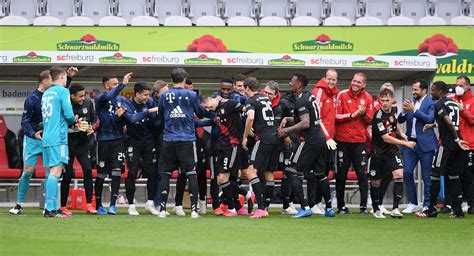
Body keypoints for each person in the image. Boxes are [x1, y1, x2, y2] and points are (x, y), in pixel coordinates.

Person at [278, 73, 335, 218]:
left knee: (291, 169)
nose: (290, 84)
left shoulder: (301, 100)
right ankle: (329, 208)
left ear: (299, 84)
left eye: (292, 81)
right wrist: (288, 119)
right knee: (320, 173)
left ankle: (304, 207)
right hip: (320, 137)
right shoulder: (309, 96)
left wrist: (285, 130)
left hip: (311, 139)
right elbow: (307, 118)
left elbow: (305, 123)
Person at [157, 68, 205, 219]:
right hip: (187, 139)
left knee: (166, 173)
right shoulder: (192, 94)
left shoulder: (164, 95)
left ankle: (163, 209)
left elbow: (160, 114)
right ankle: (193, 210)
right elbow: (200, 113)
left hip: (169, 139)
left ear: (171, 80)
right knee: (191, 172)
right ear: (184, 80)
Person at [417, 81, 469, 218]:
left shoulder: (439, 104)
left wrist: (456, 139)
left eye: (433, 90)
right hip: (457, 145)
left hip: (446, 145)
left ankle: (431, 209)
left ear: (440, 91)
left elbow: (449, 122)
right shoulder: (453, 103)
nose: (431, 93)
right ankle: (458, 211)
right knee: (454, 175)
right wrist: (433, 125)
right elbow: (449, 121)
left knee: (434, 173)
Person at [9, 70, 53, 215]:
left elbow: (64, 92)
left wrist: (70, 77)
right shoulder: (32, 99)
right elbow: (25, 121)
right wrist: (34, 134)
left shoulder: (53, 96)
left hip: (48, 139)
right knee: (27, 172)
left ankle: (48, 206)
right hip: (33, 140)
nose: (54, 83)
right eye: (52, 80)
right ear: (44, 81)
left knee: (49, 173)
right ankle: (19, 205)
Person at [201, 87, 249, 217]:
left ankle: (233, 208)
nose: (207, 109)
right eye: (205, 108)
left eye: (207, 106)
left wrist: (247, 130)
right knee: (220, 179)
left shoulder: (229, 103)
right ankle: (246, 195)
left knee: (224, 178)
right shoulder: (217, 111)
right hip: (223, 147)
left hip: (232, 146)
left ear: (211, 99)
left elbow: (247, 111)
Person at [370, 88, 416, 218]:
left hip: (392, 151)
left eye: (387, 100)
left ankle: (395, 208)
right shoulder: (377, 117)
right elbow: (386, 138)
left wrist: (402, 134)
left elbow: (395, 124)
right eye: (382, 100)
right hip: (378, 152)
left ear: (392, 100)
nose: (384, 103)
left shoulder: (393, 111)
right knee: (376, 182)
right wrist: (406, 143)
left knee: (399, 173)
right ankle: (376, 209)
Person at [94, 73, 134, 215]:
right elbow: (108, 97)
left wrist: (123, 115)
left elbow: (128, 120)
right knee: (101, 173)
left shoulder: (122, 100)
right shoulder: (100, 98)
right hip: (103, 140)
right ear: (106, 86)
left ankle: (113, 205)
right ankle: (98, 205)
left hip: (118, 140)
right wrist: (123, 84)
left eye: (118, 84)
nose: (117, 86)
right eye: (115, 84)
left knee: (117, 171)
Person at [334, 72, 373, 214]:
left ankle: (363, 207)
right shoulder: (342, 95)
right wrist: (352, 115)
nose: (355, 84)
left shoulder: (368, 97)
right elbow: (335, 116)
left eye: (358, 82)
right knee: (341, 175)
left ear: (364, 85)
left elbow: (371, 120)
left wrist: (363, 115)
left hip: (359, 142)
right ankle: (341, 206)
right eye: (354, 81)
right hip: (342, 141)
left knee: (362, 174)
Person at [41, 66, 77, 217]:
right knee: (56, 172)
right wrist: (75, 121)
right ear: (62, 77)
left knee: (51, 172)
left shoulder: (46, 93)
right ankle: (50, 209)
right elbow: (69, 114)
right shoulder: (63, 91)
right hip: (58, 138)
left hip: (47, 136)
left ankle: (52, 207)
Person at [398, 80, 437, 214]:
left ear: (424, 90)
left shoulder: (431, 102)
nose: (413, 92)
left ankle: (426, 204)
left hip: (426, 144)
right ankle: (413, 203)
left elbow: (430, 119)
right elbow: (400, 120)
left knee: (426, 176)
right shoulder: (410, 101)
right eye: (413, 89)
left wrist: (414, 109)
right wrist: (403, 111)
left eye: (416, 90)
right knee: (407, 172)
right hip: (411, 143)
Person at [59, 84, 98, 215]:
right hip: (68, 143)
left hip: (83, 143)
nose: (83, 98)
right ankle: (63, 206)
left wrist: (92, 128)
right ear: (72, 96)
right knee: (68, 173)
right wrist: (74, 125)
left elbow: (95, 119)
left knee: (87, 170)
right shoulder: (65, 104)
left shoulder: (88, 103)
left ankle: (89, 204)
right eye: (80, 96)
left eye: (84, 95)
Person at [242, 77, 277, 219]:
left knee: (251, 172)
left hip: (263, 139)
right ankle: (263, 206)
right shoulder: (265, 99)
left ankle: (262, 208)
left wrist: (245, 135)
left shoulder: (250, 100)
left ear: (247, 88)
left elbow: (250, 117)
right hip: (273, 137)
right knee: (263, 173)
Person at [123, 81, 160, 216]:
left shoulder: (149, 102)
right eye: (144, 95)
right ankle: (131, 205)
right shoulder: (127, 104)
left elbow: (155, 121)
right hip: (132, 141)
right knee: (132, 172)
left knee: (152, 172)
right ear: (137, 94)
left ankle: (150, 203)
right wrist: (148, 112)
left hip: (148, 141)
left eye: (148, 95)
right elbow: (131, 119)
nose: (147, 97)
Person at [310, 69, 339, 215]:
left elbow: (333, 118)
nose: (331, 82)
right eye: (329, 79)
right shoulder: (319, 92)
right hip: (321, 139)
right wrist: (326, 137)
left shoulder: (335, 95)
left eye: (334, 79)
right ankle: (314, 203)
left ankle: (319, 202)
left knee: (325, 172)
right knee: (318, 171)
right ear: (324, 78)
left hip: (330, 139)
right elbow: (317, 118)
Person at [452, 76, 474, 214]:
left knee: (469, 176)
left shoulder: (472, 101)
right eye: (456, 85)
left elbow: (472, 120)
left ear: (467, 87)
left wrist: (462, 110)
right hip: (455, 145)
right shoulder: (452, 99)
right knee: (456, 176)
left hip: (469, 145)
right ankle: (456, 204)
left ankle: (472, 204)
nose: (457, 87)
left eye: (460, 85)